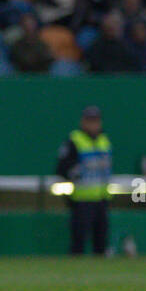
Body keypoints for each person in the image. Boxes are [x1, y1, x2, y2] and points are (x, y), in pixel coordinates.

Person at [56, 105, 112, 255]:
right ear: (83, 122)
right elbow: (61, 168)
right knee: (79, 240)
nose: (93, 124)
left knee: (101, 241)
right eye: (90, 121)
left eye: (96, 121)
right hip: (82, 199)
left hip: (102, 198)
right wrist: (75, 172)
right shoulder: (75, 140)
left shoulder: (104, 140)